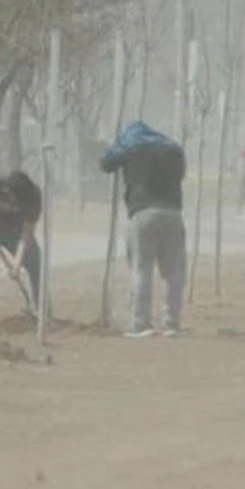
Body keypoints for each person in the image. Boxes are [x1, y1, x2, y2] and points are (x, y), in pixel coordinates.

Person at [100, 120, 187, 338]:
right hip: (173, 212)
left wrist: (118, 145)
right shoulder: (173, 149)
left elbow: (105, 163)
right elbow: (182, 175)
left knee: (141, 269)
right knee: (173, 271)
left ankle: (141, 323)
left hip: (142, 212)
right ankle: (171, 324)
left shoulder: (131, 146)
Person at [0, 171, 42, 316]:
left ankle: (40, 307)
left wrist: (16, 265)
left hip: (16, 227)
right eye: (13, 201)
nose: (15, 205)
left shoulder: (34, 197)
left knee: (35, 260)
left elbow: (26, 235)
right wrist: (6, 260)